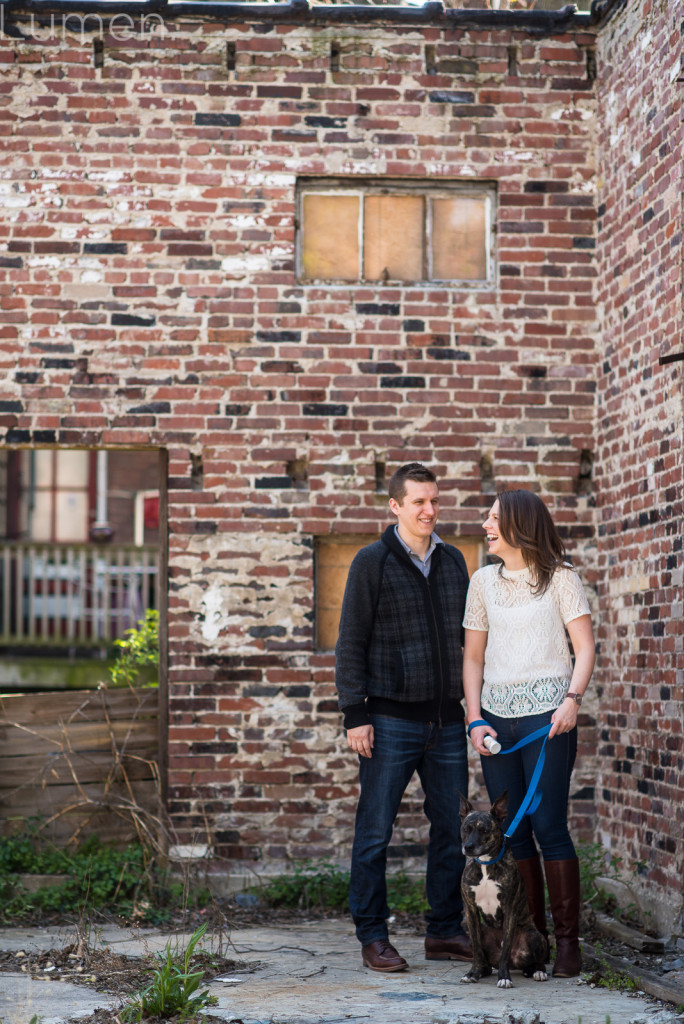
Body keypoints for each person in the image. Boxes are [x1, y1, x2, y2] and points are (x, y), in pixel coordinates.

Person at [335, 462, 472, 973]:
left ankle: (444, 931)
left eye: (434, 500)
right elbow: (350, 641)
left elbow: (469, 641)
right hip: (389, 720)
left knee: (450, 830)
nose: (430, 510)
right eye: (419, 502)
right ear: (395, 506)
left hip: (448, 721)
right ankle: (373, 936)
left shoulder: (455, 561)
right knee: (375, 830)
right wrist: (356, 714)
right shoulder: (372, 561)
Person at [462, 489, 595, 978]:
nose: (485, 524)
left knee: (549, 828)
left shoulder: (561, 579)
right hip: (496, 721)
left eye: (495, 518)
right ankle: (531, 940)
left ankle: (567, 945)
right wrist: (474, 718)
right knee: (511, 835)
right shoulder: (482, 583)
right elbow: (473, 656)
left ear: (519, 525)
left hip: (548, 720)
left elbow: (584, 648)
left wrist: (572, 701)